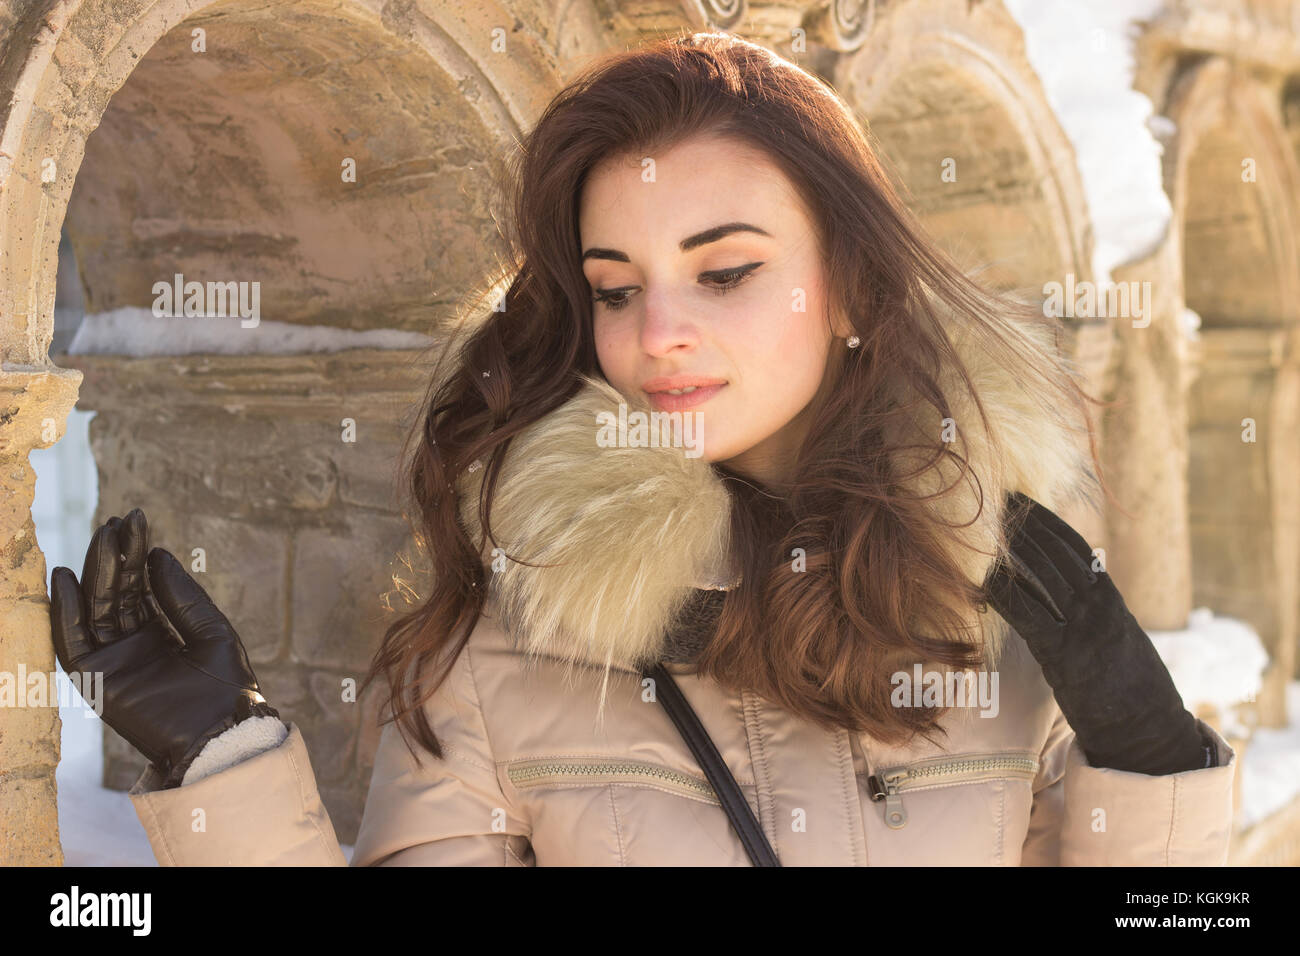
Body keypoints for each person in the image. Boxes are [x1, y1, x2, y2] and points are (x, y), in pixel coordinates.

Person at [48, 31, 1234, 866]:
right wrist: (220, 763)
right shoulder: (510, 639)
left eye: (724, 272)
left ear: (848, 286)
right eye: (613, 288)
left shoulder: (1016, 615)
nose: (657, 333)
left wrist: (1148, 755)